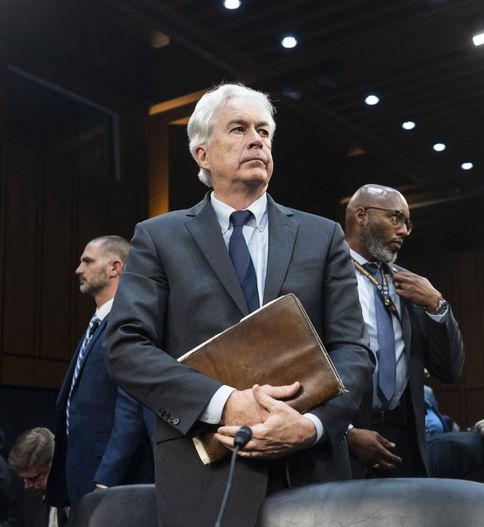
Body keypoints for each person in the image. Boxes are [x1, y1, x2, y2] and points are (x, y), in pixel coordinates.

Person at [104, 83, 372, 527]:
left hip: (312, 472)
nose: (257, 140)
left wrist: (312, 426)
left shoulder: (322, 236)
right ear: (202, 154)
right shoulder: (159, 237)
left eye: (264, 132)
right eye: (239, 129)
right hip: (205, 475)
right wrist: (224, 403)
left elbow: (354, 351)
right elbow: (124, 347)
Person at [342, 184, 464, 477]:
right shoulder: (327, 274)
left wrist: (436, 305)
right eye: (396, 218)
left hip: (404, 440)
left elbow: (449, 370)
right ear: (361, 216)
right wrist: (344, 433)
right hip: (346, 440)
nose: (405, 231)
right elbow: (308, 366)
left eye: (408, 222)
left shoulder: (409, 284)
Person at [46, 236, 153, 517]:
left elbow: (131, 408)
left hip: (109, 482)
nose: (78, 269)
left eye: (87, 261)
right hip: (79, 480)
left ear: (115, 267)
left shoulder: (130, 320)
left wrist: (106, 479)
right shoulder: (97, 324)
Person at [5, 427, 57, 527]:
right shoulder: (20, 485)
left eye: (33, 479)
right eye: (23, 478)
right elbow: (15, 524)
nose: (27, 485)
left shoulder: (73, 494)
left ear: (52, 466)